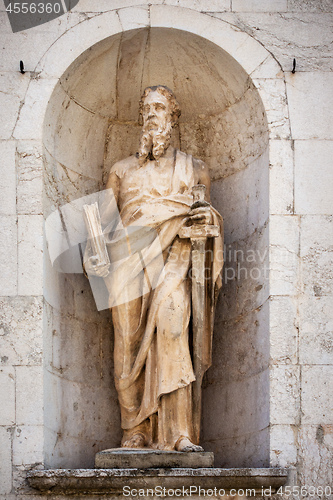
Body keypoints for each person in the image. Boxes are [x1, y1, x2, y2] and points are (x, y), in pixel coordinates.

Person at [84, 86, 223, 452]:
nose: (152, 115)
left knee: (174, 326)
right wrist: (95, 254)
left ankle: (179, 432)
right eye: (146, 109)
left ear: (173, 117)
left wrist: (205, 219)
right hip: (127, 266)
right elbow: (101, 226)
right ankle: (135, 430)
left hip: (175, 262)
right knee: (127, 345)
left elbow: (208, 219)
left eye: (159, 108)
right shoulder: (121, 171)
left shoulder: (195, 168)